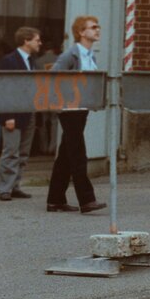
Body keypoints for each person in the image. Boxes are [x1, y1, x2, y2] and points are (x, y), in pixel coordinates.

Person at [45, 16, 107, 214]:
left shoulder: (90, 55)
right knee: (78, 153)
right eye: (93, 27)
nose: (97, 30)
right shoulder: (70, 55)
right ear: (81, 32)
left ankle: (55, 200)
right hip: (70, 110)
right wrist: (60, 103)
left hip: (81, 110)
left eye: (98, 27)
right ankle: (87, 200)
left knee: (66, 154)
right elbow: (54, 77)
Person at [0, 27, 41, 202]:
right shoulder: (9, 60)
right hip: (12, 114)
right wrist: (7, 116)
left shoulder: (32, 61)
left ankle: (15, 186)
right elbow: (4, 89)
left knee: (23, 152)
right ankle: (5, 188)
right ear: (26, 41)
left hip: (29, 112)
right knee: (11, 151)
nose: (40, 43)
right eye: (37, 40)